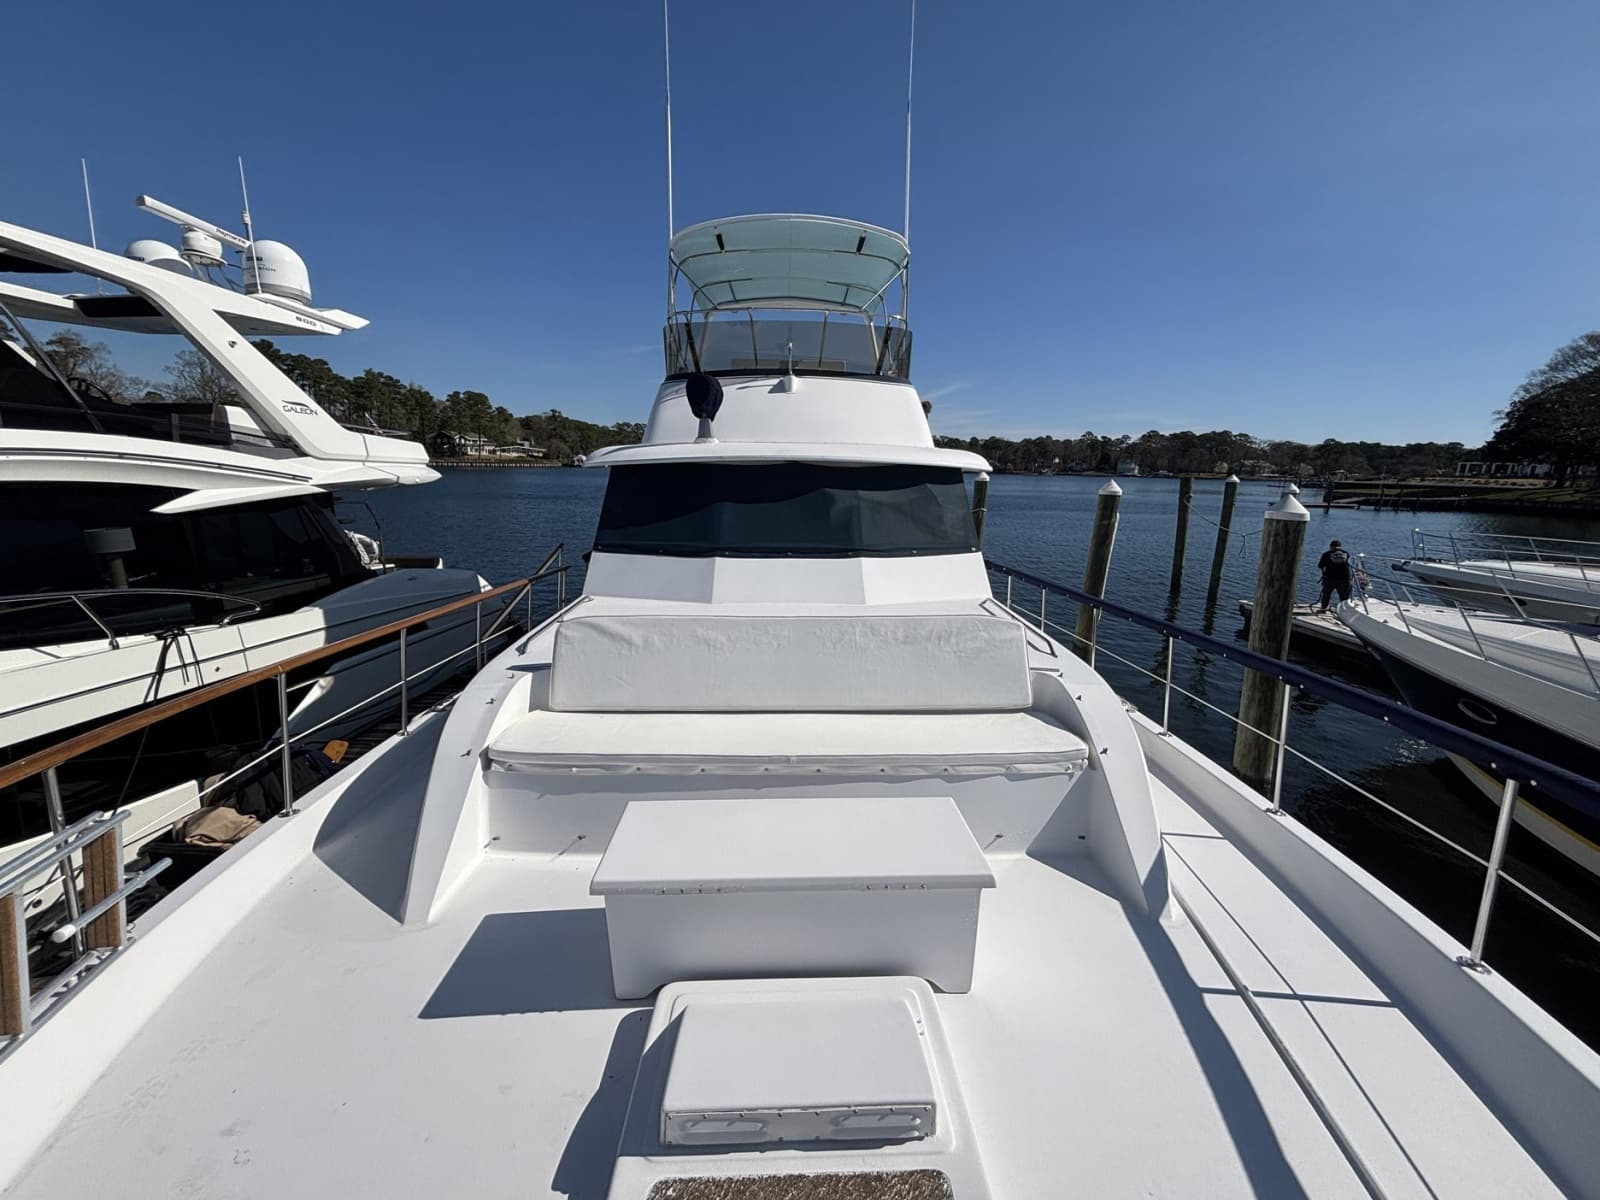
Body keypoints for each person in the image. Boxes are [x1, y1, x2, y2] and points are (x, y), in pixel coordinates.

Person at [1317, 539, 1353, 612]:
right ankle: (1344, 612)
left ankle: (1323, 609)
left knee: (1326, 595)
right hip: (1345, 579)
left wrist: (1324, 574)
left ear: (1331, 546)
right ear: (1340, 546)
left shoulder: (1326, 554)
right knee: (1344, 597)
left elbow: (1320, 565)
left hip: (1330, 578)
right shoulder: (1346, 553)